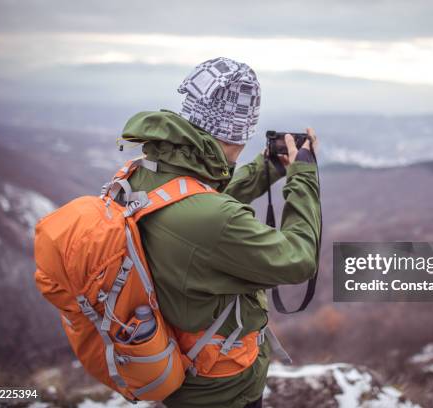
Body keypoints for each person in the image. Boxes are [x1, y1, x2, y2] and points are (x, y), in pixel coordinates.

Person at [122, 57, 321, 408]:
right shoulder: (212, 219)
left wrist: (266, 169)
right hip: (223, 391)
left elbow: (195, 203)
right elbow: (299, 259)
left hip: (182, 369)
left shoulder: (145, 174)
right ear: (239, 133)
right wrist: (303, 177)